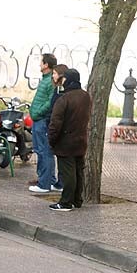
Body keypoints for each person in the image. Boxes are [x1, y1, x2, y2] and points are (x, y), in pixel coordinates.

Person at [47, 68, 91, 211]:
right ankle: (77, 200)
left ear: (68, 80)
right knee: (78, 171)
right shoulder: (85, 96)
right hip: (81, 139)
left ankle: (65, 202)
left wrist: (52, 139)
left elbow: (56, 122)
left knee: (68, 173)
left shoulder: (64, 99)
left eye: (64, 78)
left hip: (65, 141)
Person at [28, 53, 62, 194]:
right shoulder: (46, 80)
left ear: (46, 64)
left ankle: (44, 184)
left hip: (41, 120)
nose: (39, 64)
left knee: (44, 152)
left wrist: (38, 112)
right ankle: (51, 181)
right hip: (39, 120)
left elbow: (50, 102)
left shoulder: (49, 82)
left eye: (41, 62)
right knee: (43, 151)